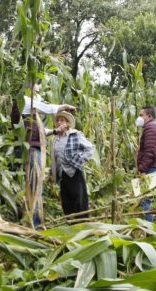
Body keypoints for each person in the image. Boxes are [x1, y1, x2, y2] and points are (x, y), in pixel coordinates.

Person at [11, 84, 75, 227]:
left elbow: (39, 130)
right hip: (31, 149)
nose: (39, 90)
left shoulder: (29, 112)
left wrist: (54, 131)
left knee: (34, 185)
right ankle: (34, 223)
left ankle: (31, 220)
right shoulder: (25, 101)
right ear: (28, 88)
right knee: (34, 184)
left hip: (32, 147)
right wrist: (63, 106)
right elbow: (46, 108)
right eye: (36, 88)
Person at [50, 111, 94, 216]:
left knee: (79, 201)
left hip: (75, 172)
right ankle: (71, 224)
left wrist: (81, 159)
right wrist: (52, 173)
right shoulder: (55, 139)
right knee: (66, 202)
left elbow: (90, 148)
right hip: (62, 174)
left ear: (68, 123)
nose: (59, 123)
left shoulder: (75, 134)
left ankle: (82, 224)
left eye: (62, 120)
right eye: (58, 120)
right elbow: (54, 158)